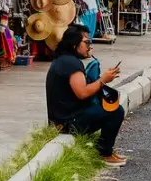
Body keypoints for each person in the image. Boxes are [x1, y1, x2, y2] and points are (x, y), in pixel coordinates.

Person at [45, 25, 126, 168]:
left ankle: (104, 150)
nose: (90, 46)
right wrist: (102, 80)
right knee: (116, 111)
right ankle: (104, 153)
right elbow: (82, 93)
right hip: (69, 122)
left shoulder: (64, 60)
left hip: (65, 118)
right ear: (74, 44)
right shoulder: (71, 64)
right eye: (87, 42)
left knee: (107, 107)